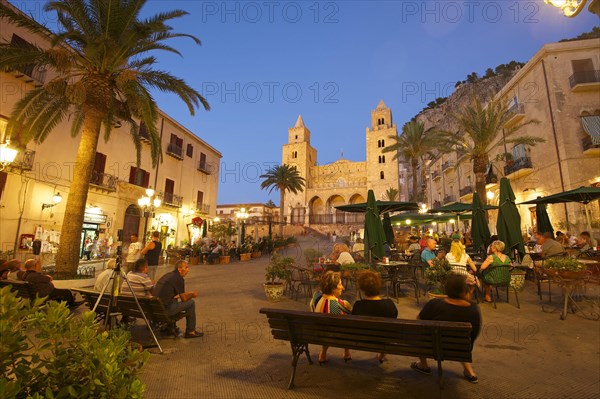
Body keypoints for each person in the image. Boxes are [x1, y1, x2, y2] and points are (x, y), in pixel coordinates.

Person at [410, 274, 481, 383]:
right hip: (461, 349)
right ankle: (469, 371)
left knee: (420, 334)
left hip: (430, 347)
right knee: (458, 340)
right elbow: (473, 335)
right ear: (465, 290)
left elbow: (419, 322)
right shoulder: (473, 309)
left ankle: (423, 365)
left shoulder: (435, 304)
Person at [352, 270, 398, 363]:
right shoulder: (389, 304)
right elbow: (394, 318)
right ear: (378, 286)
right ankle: (382, 353)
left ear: (362, 288)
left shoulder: (358, 305)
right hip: (385, 339)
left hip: (363, 339)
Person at [310, 271, 352, 364]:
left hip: (319, 333)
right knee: (346, 325)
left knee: (329, 325)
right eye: (340, 284)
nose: (343, 288)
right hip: (336, 335)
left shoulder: (315, 299)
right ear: (333, 289)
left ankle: (323, 353)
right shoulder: (342, 304)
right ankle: (346, 352)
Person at [154, 260, 203, 338]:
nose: (188, 270)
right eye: (186, 267)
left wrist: (187, 294)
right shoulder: (178, 278)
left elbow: (174, 295)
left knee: (174, 300)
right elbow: (184, 299)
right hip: (165, 310)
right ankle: (191, 331)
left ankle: (170, 327)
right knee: (191, 303)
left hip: (155, 309)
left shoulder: (168, 275)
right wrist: (192, 295)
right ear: (179, 269)